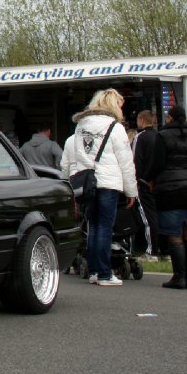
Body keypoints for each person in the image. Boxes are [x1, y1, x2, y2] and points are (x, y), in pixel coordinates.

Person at [70, 88, 138, 286]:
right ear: (113, 105)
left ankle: (93, 270)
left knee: (92, 226)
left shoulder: (81, 126)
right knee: (105, 228)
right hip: (108, 182)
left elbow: (78, 154)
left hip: (88, 182)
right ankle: (105, 273)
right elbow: (125, 161)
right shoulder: (115, 128)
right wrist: (131, 190)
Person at [151, 105, 187, 290]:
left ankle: (179, 276)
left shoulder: (162, 137)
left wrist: (149, 179)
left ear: (169, 118)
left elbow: (157, 164)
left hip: (170, 190)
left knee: (175, 234)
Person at [131, 110, 160, 259]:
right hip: (159, 183)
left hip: (144, 183)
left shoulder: (140, 138)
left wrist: (135, 181)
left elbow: (135, 161)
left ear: (141, 120)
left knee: (148, 217)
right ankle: (163, 249)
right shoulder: (159, 136)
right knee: (158, 215)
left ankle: (151, 250)